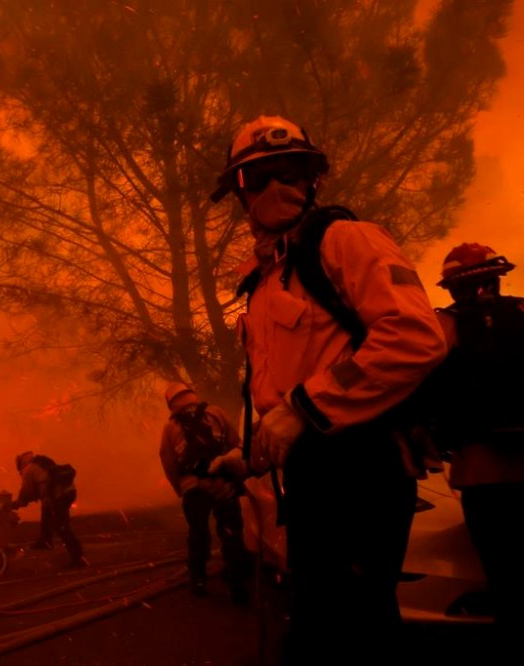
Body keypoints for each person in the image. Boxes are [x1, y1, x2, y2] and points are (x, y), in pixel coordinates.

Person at [207, 115, 448, 664]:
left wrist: (306, 407)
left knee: (353, 629)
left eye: (289, 172)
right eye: (256, 179)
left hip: (360, 469)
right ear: (239, 195)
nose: (275, 189)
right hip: (311, 474)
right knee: (319, 626)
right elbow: (281, 390)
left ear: (313, 179)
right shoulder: (265, 281)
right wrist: (247, 459)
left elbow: (414, 337)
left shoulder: (346, 240)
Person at [431, 242, 524, 647]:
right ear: (496, 278)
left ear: (454, 288)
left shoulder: (443, 326)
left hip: (482, 473)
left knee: (505, 578)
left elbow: (418, 384)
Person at [159, 382, 251, 603]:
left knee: (198, 533)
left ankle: (198, 578)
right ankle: (237, 583)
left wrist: (180, 487)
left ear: (171, 403)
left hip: (193, 487)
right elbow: (234, 444)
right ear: (191, 394)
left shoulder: (171, 426)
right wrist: (236, 475)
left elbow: (168, 460)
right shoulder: (216, 413)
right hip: (223, 482)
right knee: (231, 532)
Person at [10, 451, 88, 568]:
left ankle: (78, 558)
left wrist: (16, 504)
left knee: (61, 527)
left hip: (58, 496)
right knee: (47, 511)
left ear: (20, 463)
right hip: (68, 493)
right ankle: (45, 541)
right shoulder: (42, 463)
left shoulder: (28, 470)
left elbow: (27, 493)